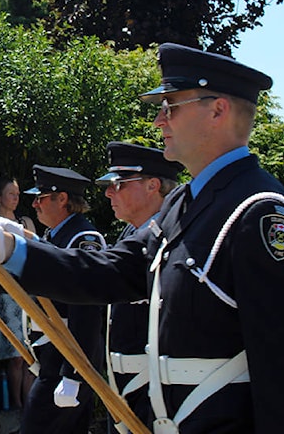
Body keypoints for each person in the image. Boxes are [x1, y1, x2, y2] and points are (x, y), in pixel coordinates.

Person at [0, 43, 284, 434]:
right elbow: (109, 272)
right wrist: (12, 250)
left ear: (217, 109)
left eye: (170, 106)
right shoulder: (183, 205)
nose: (160, 120)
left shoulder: (256, 212)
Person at [0, 165, 107, 434]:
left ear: (62, 199)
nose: (33, 204)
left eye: (40, 198)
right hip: (52, 354)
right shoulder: (55, 237)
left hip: (68, 357)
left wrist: (74, 373)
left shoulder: (82, 239)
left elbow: (85, 312)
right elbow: (21, 281)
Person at [94, 142, 180, 432]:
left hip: (155, 392)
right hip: (125, 387)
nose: (108, 192)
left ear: (152, 185)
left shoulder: (172, 239)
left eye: (118, 184)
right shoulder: (132, 232)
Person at [0, 176, 36, 410]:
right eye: (11, 194)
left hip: (27, 291)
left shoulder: (25, 222)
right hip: (6, 294)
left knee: (31, 355)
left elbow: (37, 252)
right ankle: (16, 405)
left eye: (17, 194)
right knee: (15, 355)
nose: (15, 199)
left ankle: (30, 404)